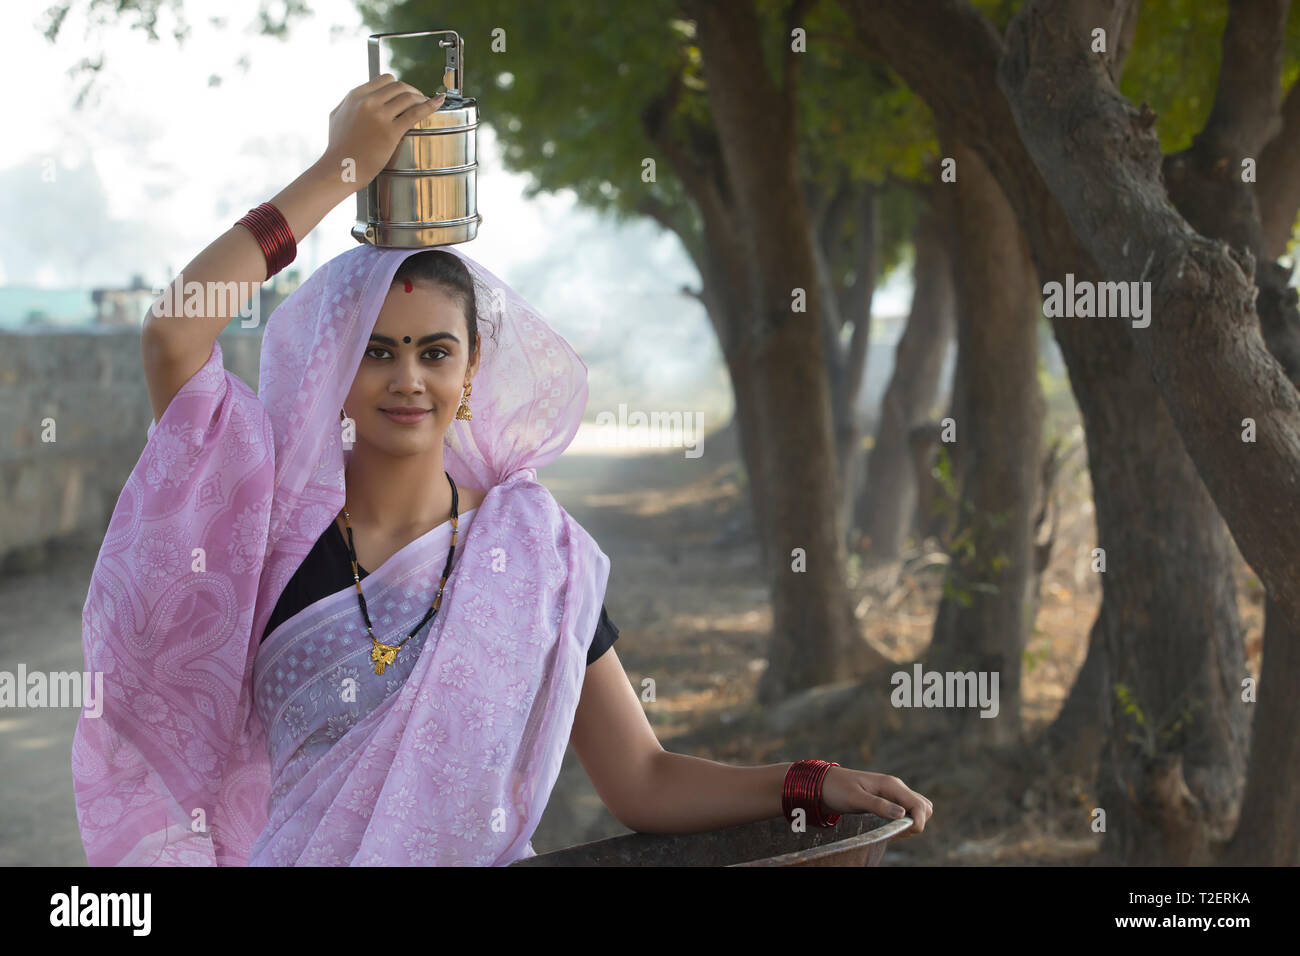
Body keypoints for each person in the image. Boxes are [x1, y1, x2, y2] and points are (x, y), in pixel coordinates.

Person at [71, 74, 932, 866]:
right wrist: (340, 170)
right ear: (335, 371)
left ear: (472, 371)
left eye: (435, 352)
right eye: (377, 352)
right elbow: (174, 332)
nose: (409, 378)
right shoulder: (270, 525)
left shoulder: (534, 556)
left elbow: (644, 779)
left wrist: (805, 783)